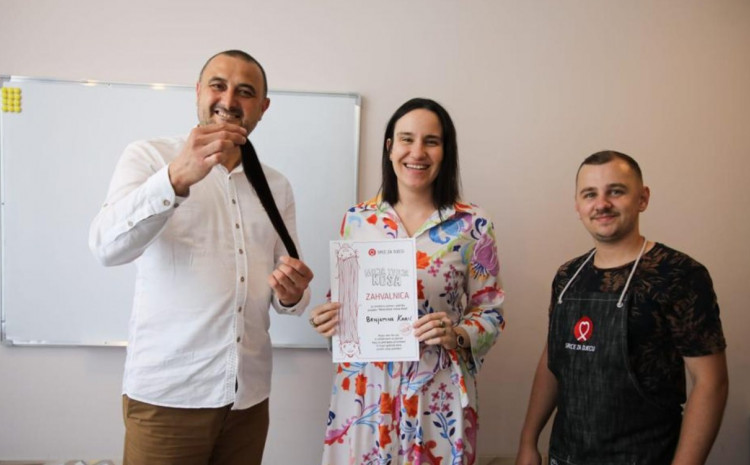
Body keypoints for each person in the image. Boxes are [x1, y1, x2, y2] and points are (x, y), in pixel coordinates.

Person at [89, 50, 313, 465]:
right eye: (218, 86)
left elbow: (290, 295)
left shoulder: (276, 185)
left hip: (248, 401)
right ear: (197, 92)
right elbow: (106, 247)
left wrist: (292, 294)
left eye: (245, 92)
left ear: (262, 108)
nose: (229, 100)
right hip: (168, 399)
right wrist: (174, 179)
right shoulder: (149, 157)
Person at [310, 98, 506, 464]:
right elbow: (343, 306)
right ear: (390, 147)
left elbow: (491, 311)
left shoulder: (472, 224)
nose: (417, 152)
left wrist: (457, 334)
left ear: (446, 151)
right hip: (366, 393)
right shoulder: (357, 220)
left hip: (438, 394)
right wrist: (329, 321)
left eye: (431, 141)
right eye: (406, 139)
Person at [515, 151, 728, 465]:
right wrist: (528, 441)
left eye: (615, 191)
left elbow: (711, 383)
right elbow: (552, 360)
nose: (601, 204)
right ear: (577, 206)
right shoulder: (567, 276)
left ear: (643, 198)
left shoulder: (679, 274)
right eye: (590, 194)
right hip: (566, 455)